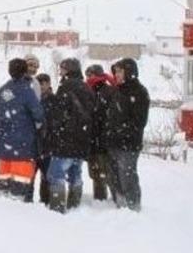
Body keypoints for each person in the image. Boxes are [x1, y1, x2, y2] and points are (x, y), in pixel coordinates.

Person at [0, 58, 45, 201]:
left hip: (3, 141)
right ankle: (17, 206)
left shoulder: (5, 89)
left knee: (4, 178)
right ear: (24, 71)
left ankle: (2, 200)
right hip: (22, 143)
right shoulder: (27, 90)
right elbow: (38, 114)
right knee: (20, 181)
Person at [45, 58, 96, 213]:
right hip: (82, 139)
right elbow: (92, 112)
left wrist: (55, 130)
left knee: (56, 174)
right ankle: (75, 206)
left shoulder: (66, 87)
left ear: (68, 70)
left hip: (65, 139)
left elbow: (59, 114)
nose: (60, 71)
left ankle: (57, 207)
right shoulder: (87, 88)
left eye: (62, 69)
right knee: (75, 173)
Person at [104, 58, 150, 211]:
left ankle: (133, 207)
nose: (116, 74)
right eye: (115, 71)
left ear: (129, 72)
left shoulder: (139, 92)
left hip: (129, 144)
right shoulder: (117, 91)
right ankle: (120, 205)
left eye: (120, 71)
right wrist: (110, 132)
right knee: (114, 177)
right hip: (113, 143)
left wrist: (120, 131)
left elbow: (139, 122)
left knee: (127, 177)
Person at [85, 64, 116, 202]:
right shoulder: (88, 91)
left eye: (90, 75)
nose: (88, 78)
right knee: (96, 173)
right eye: (87, 75)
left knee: (104, 173)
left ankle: (109, 199)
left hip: (102, 140)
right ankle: (100, 200)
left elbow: (108, 116)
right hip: (93, 139)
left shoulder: (108, 91)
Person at [32, 72, 54, 204]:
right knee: (30, 177)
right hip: (33, 145)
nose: (42, 85)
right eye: (40, 83)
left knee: (47, 178)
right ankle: (26, 203)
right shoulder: (33, 99)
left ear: (49, 84)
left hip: (48, 145)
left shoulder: (55, 99)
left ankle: (45, 203)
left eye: (45, 83)